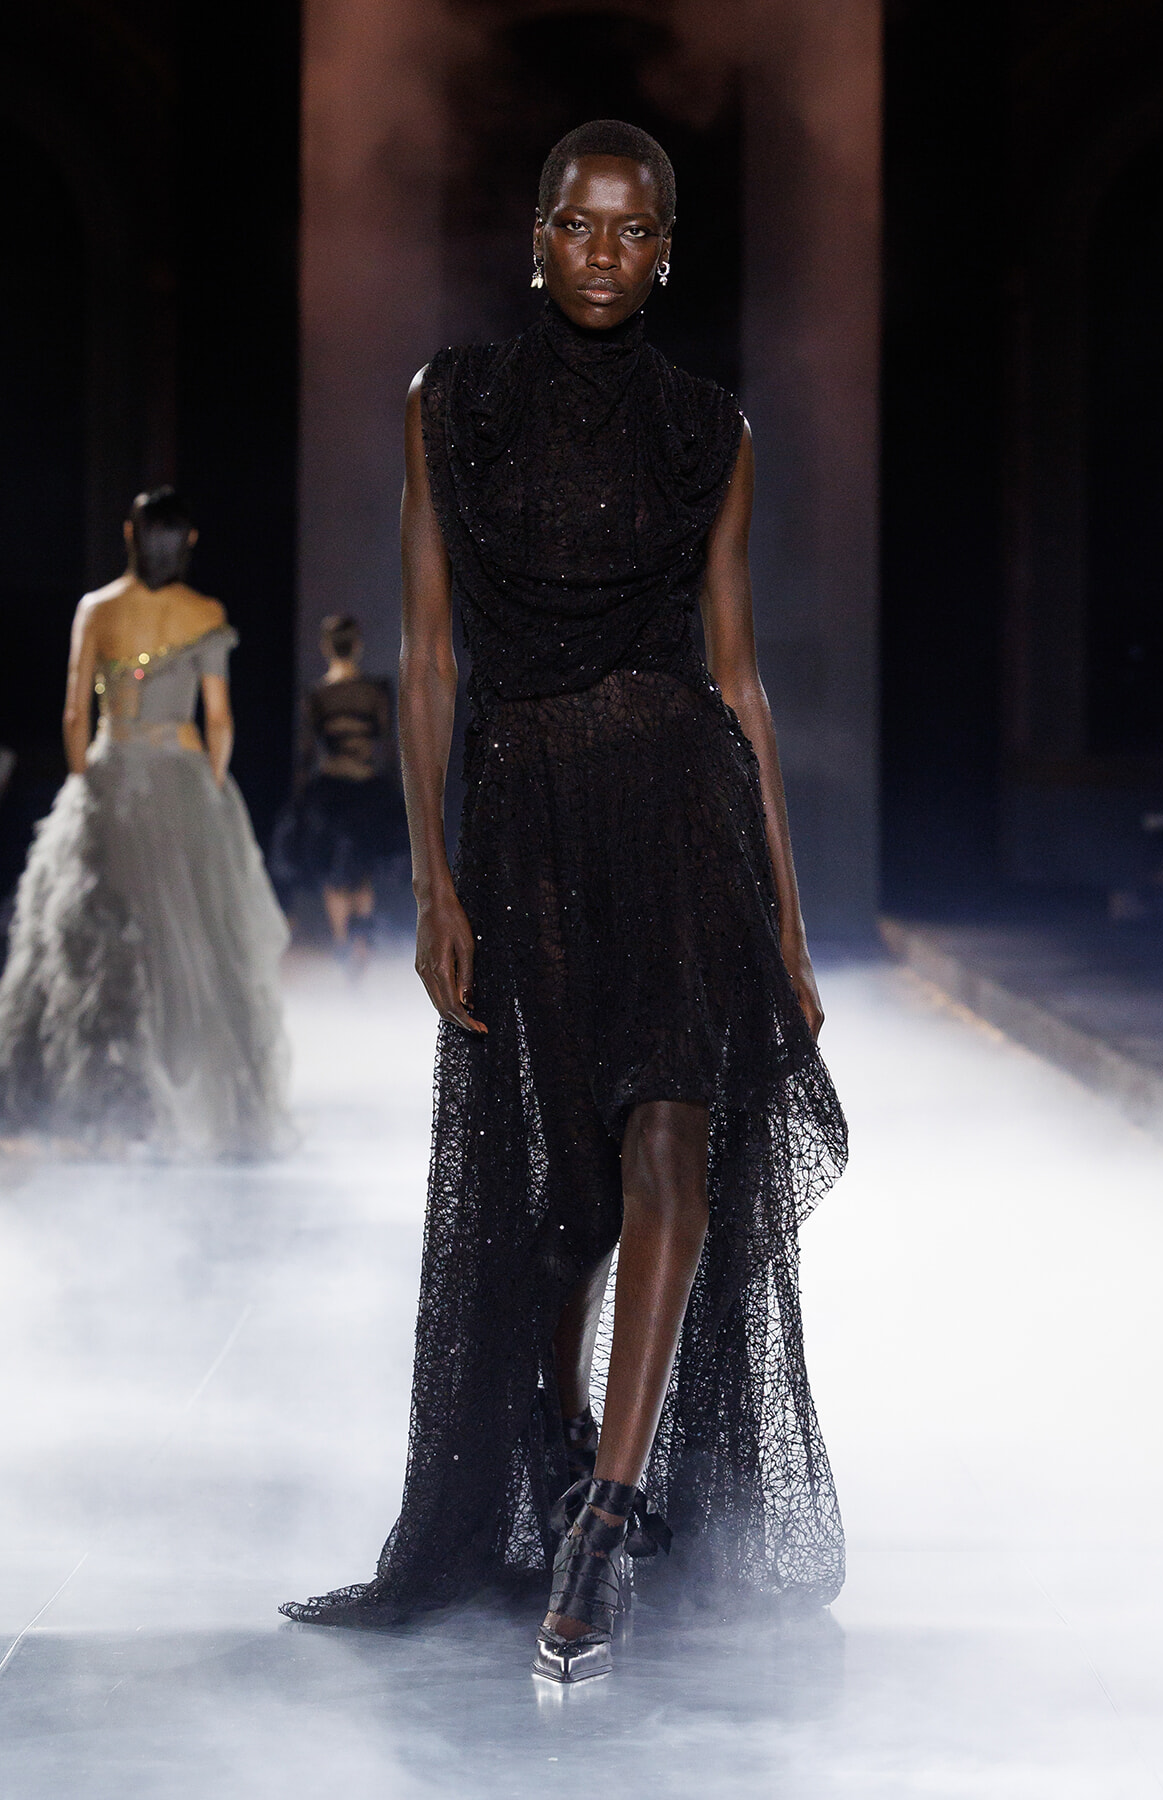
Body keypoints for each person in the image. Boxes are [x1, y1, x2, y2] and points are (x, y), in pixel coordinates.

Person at [282, 121, 847, 1680]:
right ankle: (555, 1431)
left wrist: (787, 924)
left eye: (636, 228)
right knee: (568, 1204)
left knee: (674, 1140)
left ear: (670, 248)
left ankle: (602, 1517)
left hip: (680, 819)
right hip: (525, 828)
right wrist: (429, 874)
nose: (605, 251)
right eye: (579, 226)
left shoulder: (708, 429)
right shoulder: (448, 406)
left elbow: (737, 681)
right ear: (535, 237)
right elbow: (431, 653)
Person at [0, 488, 290, 1159]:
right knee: (192, 949)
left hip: (112, 778)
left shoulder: (97, 609)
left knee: (102, 950)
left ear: (130, 534)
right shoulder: (204, 612)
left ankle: (108, 1112)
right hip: (184, 782)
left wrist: (86, 785)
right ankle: (186, 1109)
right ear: (187, 541)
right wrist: (212, 791)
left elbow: (76, 714)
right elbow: (218, 720)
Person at [270, 615, 406, 966]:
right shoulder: (377, 691)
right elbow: (389, 746)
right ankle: (360, 942)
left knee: (334, 874)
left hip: (329, 793)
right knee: (361, 870)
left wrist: (299, 803)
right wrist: (392, 791)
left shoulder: (317, 695)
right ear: (358, 645)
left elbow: (306, 753)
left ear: (325, 647)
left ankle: (345, 942)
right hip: (368, 789)